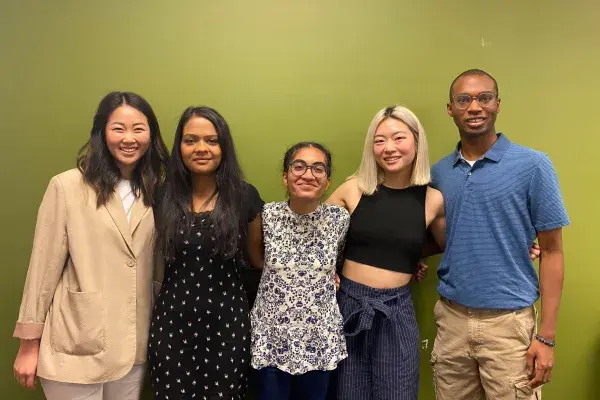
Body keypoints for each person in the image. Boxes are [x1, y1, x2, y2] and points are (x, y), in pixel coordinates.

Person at [12, 92, 169, 399]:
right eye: (118, 128)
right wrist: (29, 345)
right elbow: (42, 269)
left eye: (139, 128)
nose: (129, 138)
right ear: (101, 133)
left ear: (151, 135)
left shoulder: (157, 193)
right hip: (74, 344)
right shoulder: (67, 186)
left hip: (132, 347)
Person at [429, 69, 569, 400]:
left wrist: (546, 337)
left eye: (484, 98)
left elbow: (552, 251)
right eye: (464, 99)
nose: (474, 107)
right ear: (450, 109)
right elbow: (445, 239)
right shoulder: (438, 173)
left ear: (498, 105)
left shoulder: (533, 165)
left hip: (509, 326)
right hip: (451, 322)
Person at [326, 105, 446, 400]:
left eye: (398, 138)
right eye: (379, 140)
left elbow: (446, 243)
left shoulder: (433, 200)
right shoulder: (352, 189)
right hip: (347, 307)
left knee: (399, 392)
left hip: (397, 310)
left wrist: (409, 255)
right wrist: (326, 271)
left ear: (417, 142)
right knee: (348, 392)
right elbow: (315, 240)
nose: (389, 148)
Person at [148, 106, 264, 400]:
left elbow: (258, 260)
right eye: (191, 140)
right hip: (171, 325)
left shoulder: (244, 195)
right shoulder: (160, 196)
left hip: (227, 325)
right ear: (179, 147)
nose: (201, 148)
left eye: (212, 141)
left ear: (224, 147)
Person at [251, 142, 349, 400]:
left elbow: (341, 260)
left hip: (319, 341)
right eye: (299, 166)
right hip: (272, 339)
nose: (308, 174)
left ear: (328, 181)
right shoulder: (266, 216)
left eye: (318, 168)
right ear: (285, 177)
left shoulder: (340, 219)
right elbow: (256, 261)